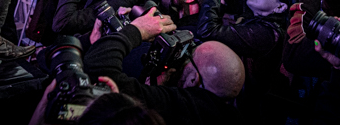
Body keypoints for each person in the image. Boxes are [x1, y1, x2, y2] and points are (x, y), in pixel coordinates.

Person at [82, 10, 245, 125]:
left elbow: (99, 67)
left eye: (190, 55)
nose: (182, 56)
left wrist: (136, 30)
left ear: (194, 79)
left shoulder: (184, 107)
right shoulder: (225, 113)